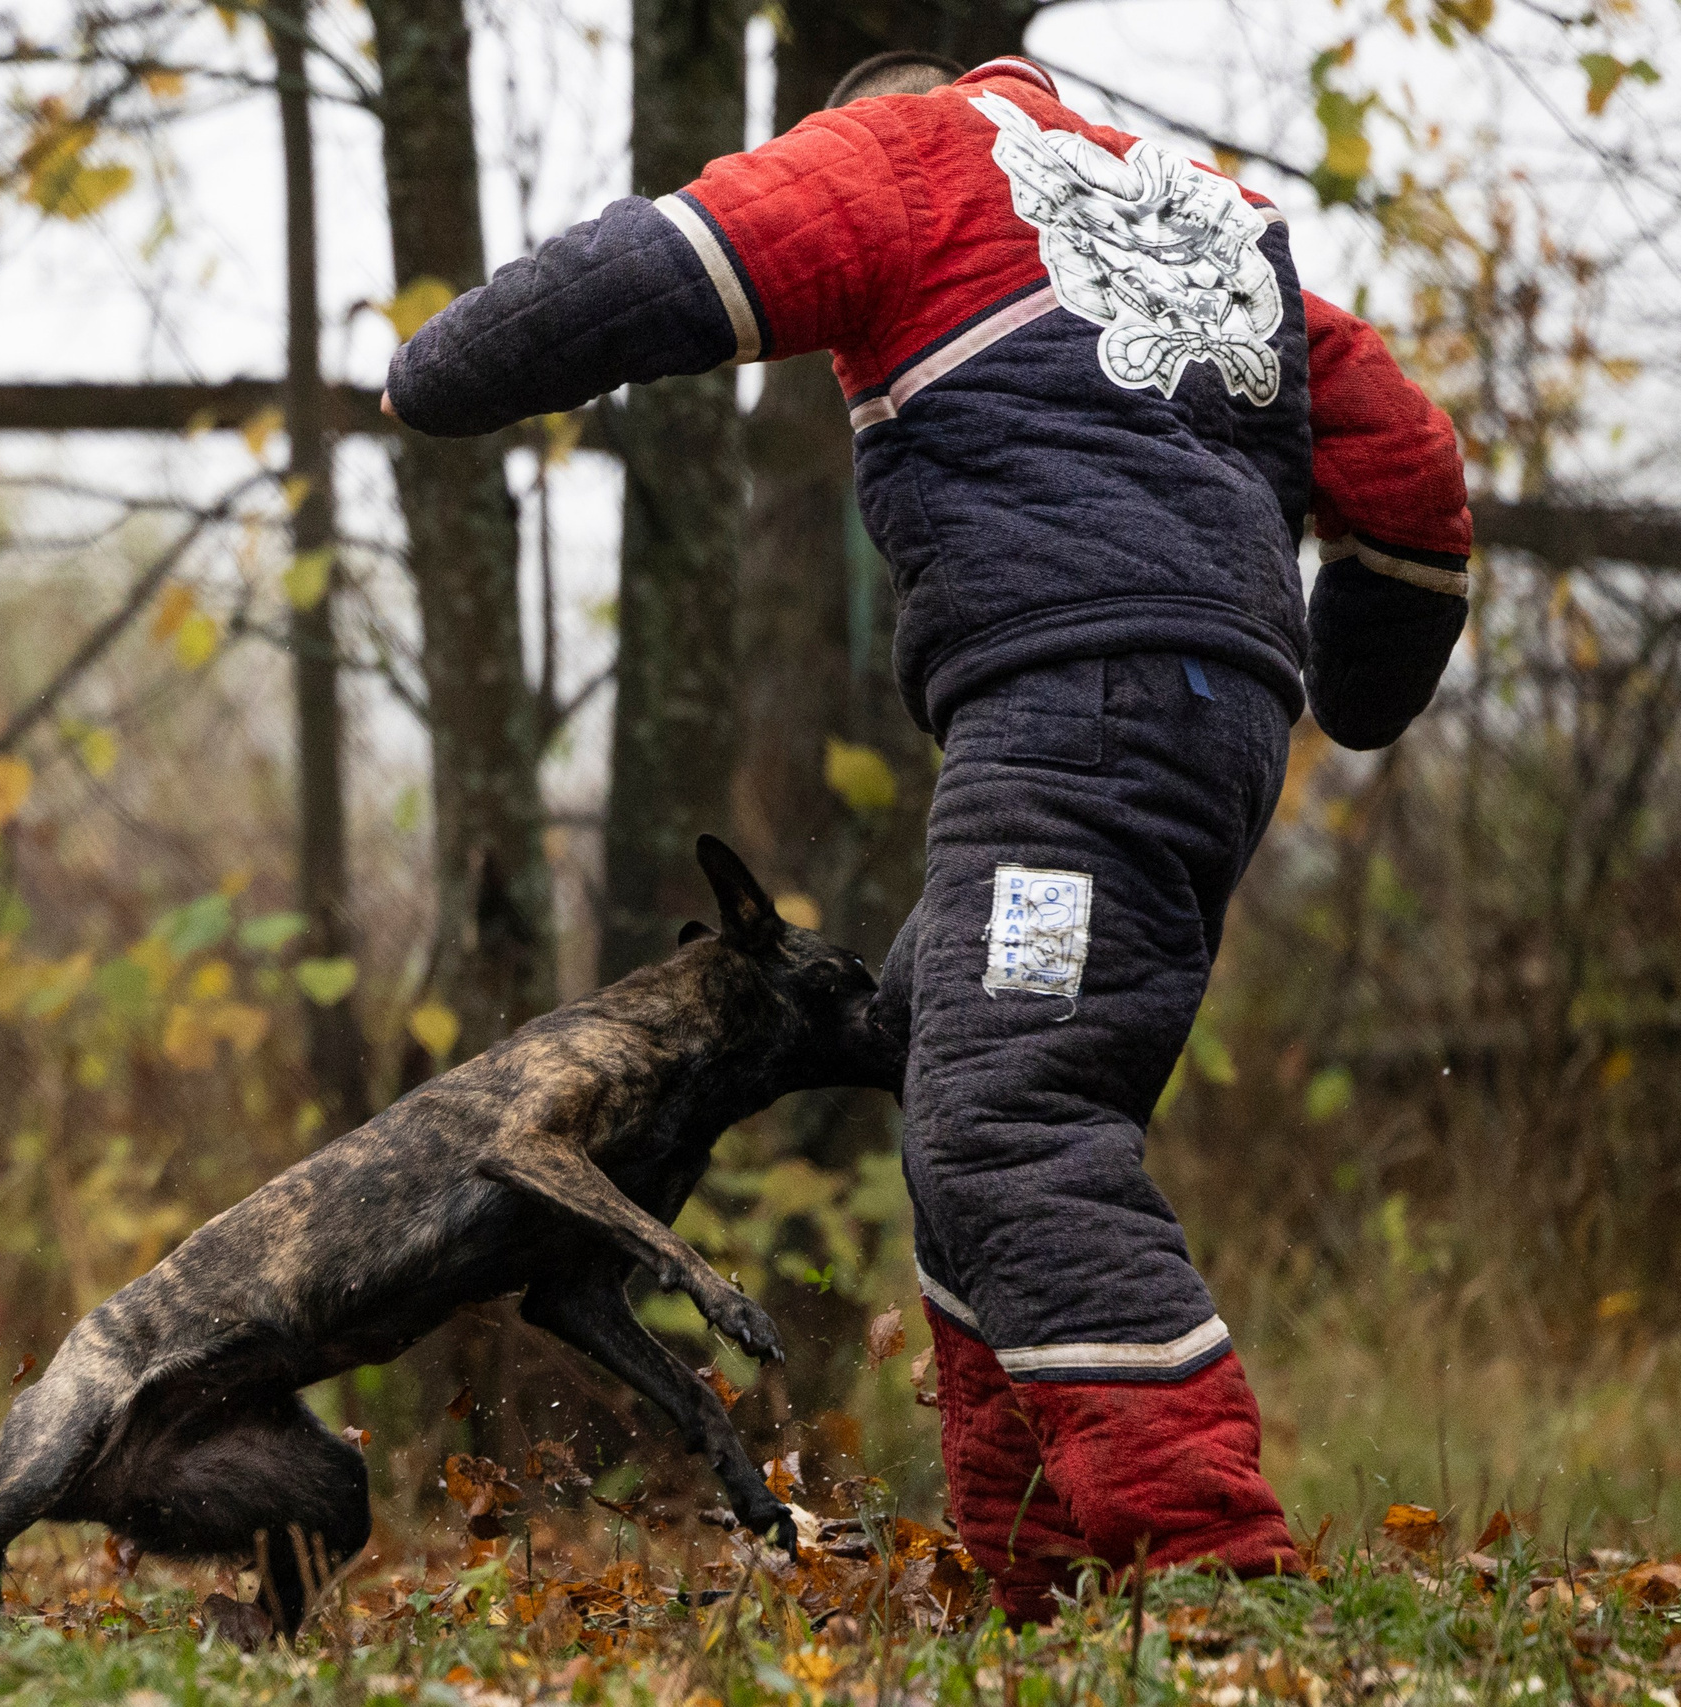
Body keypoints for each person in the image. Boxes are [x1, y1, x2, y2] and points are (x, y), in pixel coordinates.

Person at [379, 49, 1472, 1619]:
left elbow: (654, 269)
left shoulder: (904, 154)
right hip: (1209, 720)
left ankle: (1214, 1570)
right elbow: (1415, 480)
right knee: (962, 1056)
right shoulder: (1217, 221)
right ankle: (1033, 1569)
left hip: (1074, 703)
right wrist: (1356, 680)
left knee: (1011, 1115)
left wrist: (433, 378)